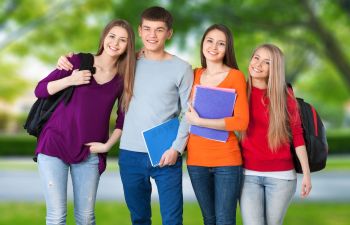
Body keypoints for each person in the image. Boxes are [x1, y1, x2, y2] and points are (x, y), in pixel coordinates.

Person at [57, 6, 192, 225]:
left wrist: (177, 148)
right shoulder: (128, 64)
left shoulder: (181, 68)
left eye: (159, 30)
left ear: (169, 33)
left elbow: (189, 112)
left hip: (165, 153)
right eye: (147, 29)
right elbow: (99, 62)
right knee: (139, 218)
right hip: (130, 154)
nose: (152, 35)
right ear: (139, 31)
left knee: (172, 219)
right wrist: (67, 60)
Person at [35, 19, 136, 225]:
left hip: (90, 151)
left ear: (128, 46)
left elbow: (123, 119)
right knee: (56, 216)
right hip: (54, 144)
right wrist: (70, 79)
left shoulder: (122, 78)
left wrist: (107, 145)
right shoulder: (78, 61)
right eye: (112, 36)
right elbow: (40, 90)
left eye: (123, 40)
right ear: (104, 37)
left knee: (86, 218)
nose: (115, 43)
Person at [239, 43, 312, 225]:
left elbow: (297, 136)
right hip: (247, 174)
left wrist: (307, 174)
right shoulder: (240, 91)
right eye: (256, 58)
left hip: (282, 177)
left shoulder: (285, 96)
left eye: (267, 62)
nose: (258, 64)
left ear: (275, 68)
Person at [185, 24, 249, 225]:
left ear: (227, 48)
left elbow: (241, 121)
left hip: (227, 161)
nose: (214, 47)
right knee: (209, 219)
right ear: (202, 44)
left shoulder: (236, 77)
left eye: (221, 43)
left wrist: (200, 121)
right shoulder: (193, 75)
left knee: (224, 220)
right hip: (196, 161)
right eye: (210, 41)